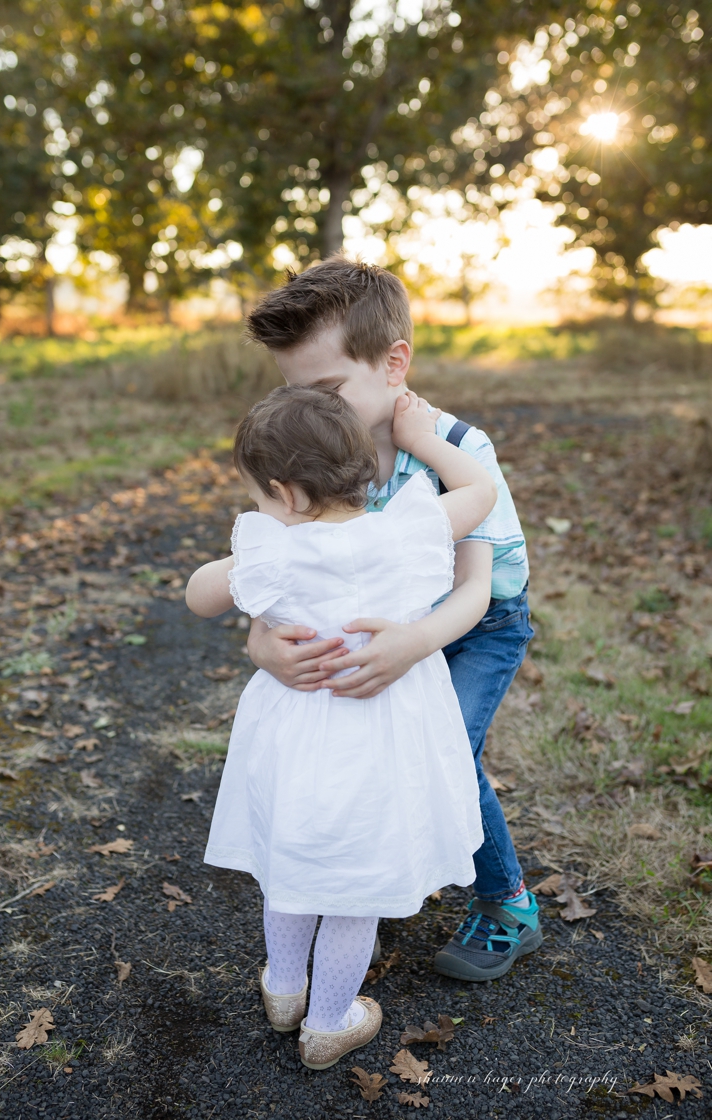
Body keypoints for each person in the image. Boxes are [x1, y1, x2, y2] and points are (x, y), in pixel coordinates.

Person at [241, 258, 539, 983]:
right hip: (389, 625)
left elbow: (473, 589)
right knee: (354, 752)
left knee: (444, 749)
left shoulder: (457, 451)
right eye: (296, 393)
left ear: (394, 363)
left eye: (330, 390)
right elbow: (285, 566)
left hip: (475, 626)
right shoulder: (313, 452)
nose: (315, 410)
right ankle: (358, 880)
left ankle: (508, 903)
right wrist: (259, 640)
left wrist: (416, 644)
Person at [185, 385, 493, 1069]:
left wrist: (247, 560)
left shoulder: (273, 553)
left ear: (283, 495)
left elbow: (199, 595)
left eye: (263, 499)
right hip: (385, 739)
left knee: (294, 871)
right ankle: (329, 1024)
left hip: (298, 740)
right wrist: (420, 439)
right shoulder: (409, 529)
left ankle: (284, 990)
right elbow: (479, 490)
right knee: (357, 891)